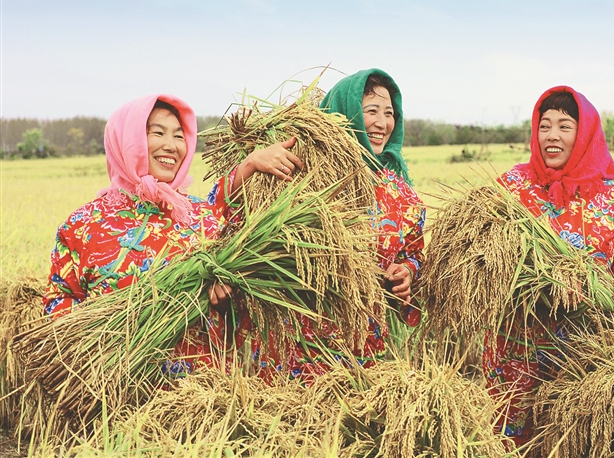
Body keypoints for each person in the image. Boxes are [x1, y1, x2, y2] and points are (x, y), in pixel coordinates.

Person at [484, 86, 614, 446]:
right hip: (516, 344)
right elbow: (483, 249)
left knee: (574, 439)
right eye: (544, 125)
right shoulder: (512, 188)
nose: (552, 136)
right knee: (510, 441)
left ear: (584, 134)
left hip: (585, 346)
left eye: (565, 126)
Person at [43, 94, 302, 324]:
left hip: (202, 376)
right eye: (157, 133)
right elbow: (57, 303)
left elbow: (240, 308)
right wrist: (107, 333)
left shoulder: (201, 217)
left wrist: (224, 302)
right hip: (116, 376)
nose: (171, 145)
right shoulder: (82, 225)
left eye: (179, 136)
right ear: (124, 141)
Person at [252, 68, 426, 384]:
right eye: (370, 110)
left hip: (365, 349)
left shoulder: (401, 193)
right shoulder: (304, 175)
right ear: (343, 115)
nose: (382, 123)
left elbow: (414, 252)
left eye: (389, 114)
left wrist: (406, 273)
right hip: (298, 349)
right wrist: (250, 165)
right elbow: (241, 231)